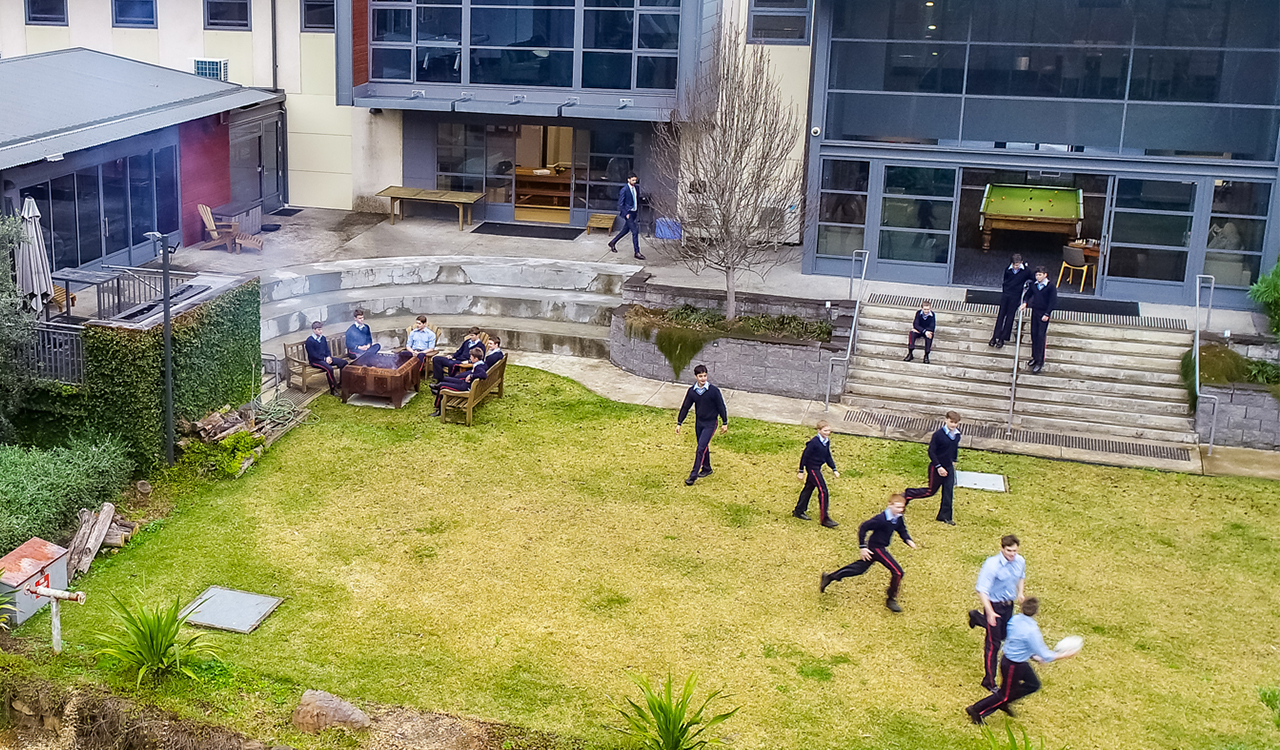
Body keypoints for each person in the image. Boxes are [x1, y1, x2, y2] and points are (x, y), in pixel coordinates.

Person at [965, 597, 1077, 724]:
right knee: (1004, 694)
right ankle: (976, 710)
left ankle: (1005, 701)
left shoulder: (1015, 619)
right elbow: (1046, 655)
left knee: (1033, 684)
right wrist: (1066, 654)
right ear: (1036, 612)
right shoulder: (1031, 631)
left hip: (1015, 661)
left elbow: (1021, 643)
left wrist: (1034, 657)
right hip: (1013, 665)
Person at [819, 494, 917, 613]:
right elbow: (863, 528)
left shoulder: (898, 517)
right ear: (889, 505)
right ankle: (891, 598)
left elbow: (902, 529)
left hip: (880, 547)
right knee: (898, 572)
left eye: (902, 507)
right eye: (897, 507)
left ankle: (830, 577)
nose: (900, 510)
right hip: (876, 548)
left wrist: (908, 540)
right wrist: (862, 547)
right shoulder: (881, 519)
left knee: (859, 568)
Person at [968, 535, 1027, 692]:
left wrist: (1020, 593)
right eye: (1009, 551)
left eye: (1015, 551)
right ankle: (989, 681)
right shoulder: (992, 565)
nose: (1012, 554)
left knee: (1003, 636)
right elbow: (982, 589)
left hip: (1008, 605)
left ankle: (976, 617)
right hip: (994, 605)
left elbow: (1021, 576)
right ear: (1002, 549)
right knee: (993, 644)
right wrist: (990, 612)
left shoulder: (1020, 561)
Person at [903, 410, 961, 525]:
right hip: (937, 467)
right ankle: (908, 494)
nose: (953, 425)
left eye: (956, 423)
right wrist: (939, 467)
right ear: (946, 420)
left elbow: (954, 449)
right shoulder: (938, 435)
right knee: (930, 491)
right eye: (951, 422)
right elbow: (931, 452)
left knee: (948, 492)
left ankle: (945, 516)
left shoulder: (957, 435)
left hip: (949, 467)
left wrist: (954, 461)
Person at [675, 364, 728, 486]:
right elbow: (685, 407)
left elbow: (721, 406)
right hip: (699, 423)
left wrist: (724, 422)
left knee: (700, 449)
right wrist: (679, 423)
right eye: (700, 376)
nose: (703, 378)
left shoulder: (713, 391)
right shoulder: (692, 391)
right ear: (696, 377)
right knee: (703, 446)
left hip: (711, 423)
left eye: (705, 376)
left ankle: (693, 476)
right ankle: (707, 468)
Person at [794, 420, 840, 528]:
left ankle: (799, 510)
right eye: (825, 430)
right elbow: (804, 456)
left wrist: (834, 469)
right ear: (819, 431)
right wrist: (801, 471)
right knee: (823, 491)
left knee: (808, 488)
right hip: (812, 468)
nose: (828, 432)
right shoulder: (814, 443)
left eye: (829, 430)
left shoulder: (826, 441)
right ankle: (825, 519)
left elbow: (827, 455)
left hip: (818, 467)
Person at [429, 346, 488, 417]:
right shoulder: (481, 364)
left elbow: (483, 375)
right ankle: (436, 386)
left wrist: (471, 376)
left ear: (476, 358)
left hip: (466, 387)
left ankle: (438, 409)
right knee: (446, 379)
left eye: (471, 357)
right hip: (466, 384)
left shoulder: (479, 367)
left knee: (442, 386)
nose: (470, 358)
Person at [989, 254, 1032, 348]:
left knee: (1010, 316)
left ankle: (1002, 338)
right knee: (1001, 315)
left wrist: (1026, 289)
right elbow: (1005, 280)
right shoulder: (1008, 270)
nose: (1016, 266)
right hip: (1006, 294)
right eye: (1014, 264)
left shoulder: (1026, 271)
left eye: (1018, 264)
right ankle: (995, 336)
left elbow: (1032, 279)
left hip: (1016, 295)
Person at [1020, 267, 1057, 374]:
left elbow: (1052, 301)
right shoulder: (1034, 285)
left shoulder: (1050, 287)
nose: (1038, 277)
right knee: (1034, 334)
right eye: (1037, 275)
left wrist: (1047, 313)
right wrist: (1025, 303)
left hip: (1043, 314)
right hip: (1035, 312)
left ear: (1045, 275)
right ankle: (1035, 357)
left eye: (1040, 275)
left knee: (1041, 336)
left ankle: (1040, 361)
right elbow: (1028, 295)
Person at [303, 321, 348, 396]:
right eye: (318, 330)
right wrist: (324, 359)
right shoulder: (310, 341)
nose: (320, 331)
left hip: (325, 358)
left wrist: (328, 356)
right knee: (329, 369)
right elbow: (313, 355)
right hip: (315, 361)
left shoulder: (323, 338)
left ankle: (341, 383)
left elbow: (327, 349)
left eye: (321, 329)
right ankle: (333, 389)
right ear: (314, 330)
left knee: (344, 363)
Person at [608, 173, 646, 261]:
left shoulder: (636, 188)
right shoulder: (624, 190)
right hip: (628, 213)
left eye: (635, 180)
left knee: (625, 230)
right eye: (633, 180)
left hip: (634, 212)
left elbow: (636, 199)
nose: (634, 182)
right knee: (635, 231)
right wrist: (626, 213)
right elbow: (620, 204)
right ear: (628, 180)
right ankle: (637, 252)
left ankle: (612, 242)